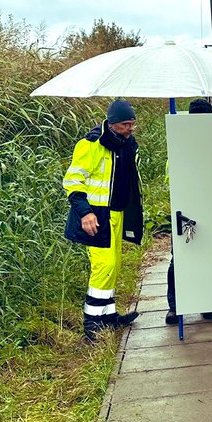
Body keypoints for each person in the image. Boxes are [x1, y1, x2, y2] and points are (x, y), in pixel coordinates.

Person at [63, 99, 144, 341]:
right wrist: (85, 212)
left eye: (132, 124)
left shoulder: (126, 143)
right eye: (125, 125)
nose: (130, 129)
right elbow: (72, 181)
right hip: (96, 216)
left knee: (115, 264)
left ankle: (108, 315)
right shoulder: (91, 145)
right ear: (111, 124)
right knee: (104, 266)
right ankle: (92, 322)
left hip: (117, 213)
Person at [166, 98, 212, 325]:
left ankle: (195, 306)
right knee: (181, 260)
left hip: (200, 208)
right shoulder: (181, 140)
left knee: (201, 257)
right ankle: (178, 307)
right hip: (188, 210)